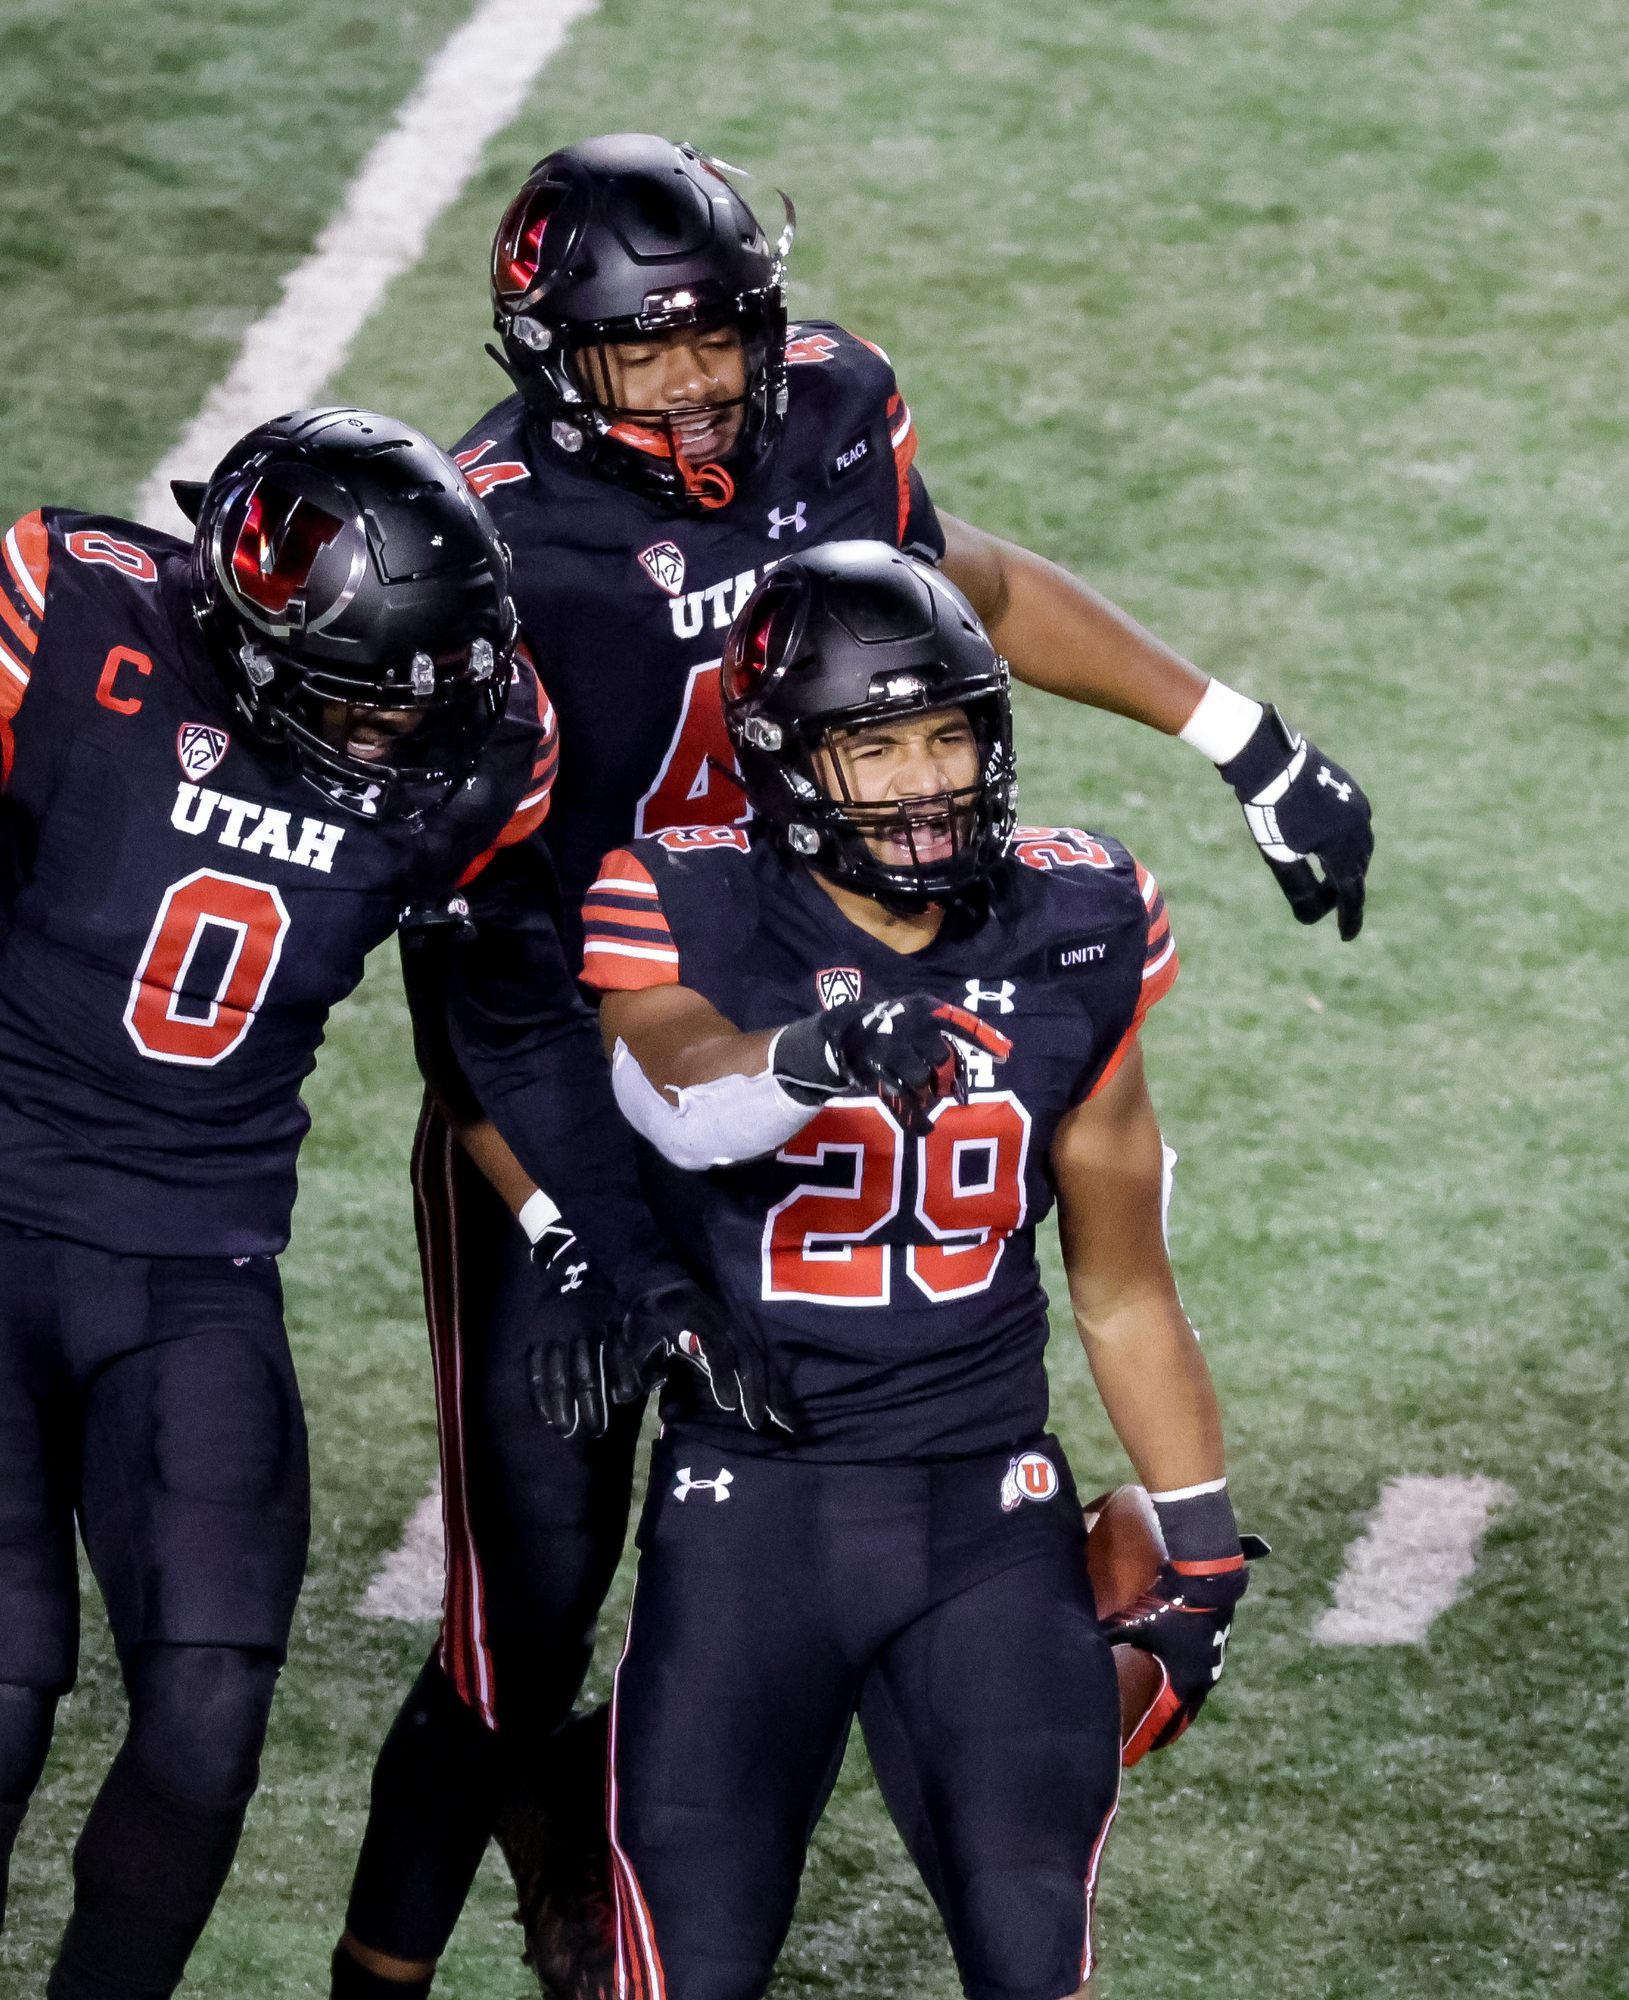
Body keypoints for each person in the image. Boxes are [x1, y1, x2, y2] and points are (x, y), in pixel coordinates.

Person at [337, 132, 1350, 1997]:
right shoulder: (491, 544)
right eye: (644, 350)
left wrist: (1239, 732)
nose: (700, 379)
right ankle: (387, 1960)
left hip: (835, 1016)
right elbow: (474, 957)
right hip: (578, 1059)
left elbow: (960, 591)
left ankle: (701, 1766)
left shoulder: (834, 409)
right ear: (549, 348)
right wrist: (572, 1221)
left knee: (842, 1442)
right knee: (535, 1587)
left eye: (720, 333)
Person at [0, 407, 713, 1998]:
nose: (411, 734)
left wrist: (621, 1256)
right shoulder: (81, 622)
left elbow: (509, 1016)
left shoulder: (479, 739)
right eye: (372, 700)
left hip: (201, 1255)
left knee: (211, 1723)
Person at [579, 541, 1246, 1999]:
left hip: (983, 1513)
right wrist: (818, 1054)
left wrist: (1199, 1541)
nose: (926, 780)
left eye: (950, 732)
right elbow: (679, 1097)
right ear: (783, 761)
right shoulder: (682, 897)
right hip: (753, 1514)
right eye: (874, 746)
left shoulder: (1079, 925)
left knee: (1033, 1961)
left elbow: (1123, 1280)